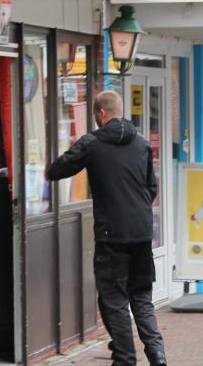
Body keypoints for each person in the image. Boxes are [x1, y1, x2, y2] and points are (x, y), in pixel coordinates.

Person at [46, 91, 166, 366]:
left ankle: (125, 359)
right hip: (141, 233)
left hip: (112, 234)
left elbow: (56, 170)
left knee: (113, 299)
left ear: (101, 114)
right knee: (141, 296)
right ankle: (157, 355)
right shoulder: (142, 143)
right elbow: (151, 187)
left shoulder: (92, 143)